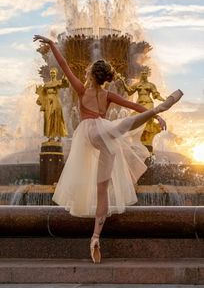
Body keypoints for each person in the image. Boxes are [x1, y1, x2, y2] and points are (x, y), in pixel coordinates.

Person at [33, 35, 183, 263]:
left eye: (87, 71)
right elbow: (133, 105)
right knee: (121, 127)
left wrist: (52, 44)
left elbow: (63, 65)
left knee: (102, 187)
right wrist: (154, 115)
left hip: (93, 136)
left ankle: (95, 237)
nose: (84, 73)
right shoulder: (108, 95)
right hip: (105, 137)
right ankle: (157, 111)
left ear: (93, 75)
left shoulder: (82, 91)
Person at [116, 69, 166, 151]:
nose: (144, 75)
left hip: (148, 103)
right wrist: (122, 81)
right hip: (139, 104)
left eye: (146, 73)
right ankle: (137, 139)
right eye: (142, 73)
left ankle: (146, 141)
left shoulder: (151, 85)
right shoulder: (137, 85)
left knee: (147, 120)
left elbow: (156, 95)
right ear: (140, 74)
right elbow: (129, 91)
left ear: (148, 74)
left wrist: (164, 100)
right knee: (133, 118)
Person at [36, 67, 68, 141]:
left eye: (53, 73)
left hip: (56, 102)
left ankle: (59, 136)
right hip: (48, 103)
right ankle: (51, 135)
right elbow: (42, 93)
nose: (52, 74)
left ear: (56, 74)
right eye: (51, 73)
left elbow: (65, 85)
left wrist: (65, 79)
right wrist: (40, 100)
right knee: (48, 118)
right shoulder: (47, 84)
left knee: (57, 117)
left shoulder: (58, 82)